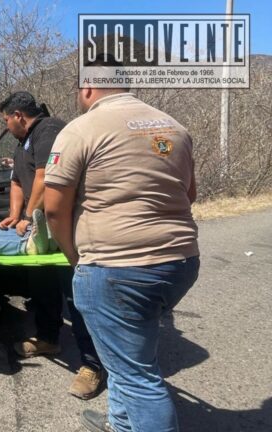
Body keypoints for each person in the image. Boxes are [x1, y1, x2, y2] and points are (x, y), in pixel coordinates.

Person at [44, 60, 200, 432]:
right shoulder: (175, 127)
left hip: (116, 268)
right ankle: (121, 423)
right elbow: (190, 194)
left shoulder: (80, 130)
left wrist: (74, 258)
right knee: (130, 354)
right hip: (181, 261)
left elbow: (53, 209)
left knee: (136, 376)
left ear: (87, 90)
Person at [0, 91, 105, 400]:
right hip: (40, 229)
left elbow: (46, 177)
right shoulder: (22, 144)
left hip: (64, 224)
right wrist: (14, 215)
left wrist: (30, 217)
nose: (7, 127)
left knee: (77, 294)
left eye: (6, 120)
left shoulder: (49, 130)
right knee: (42, 284)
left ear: (18, 115)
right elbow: (19, 181)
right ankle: (48, 338)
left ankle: (92, 364)